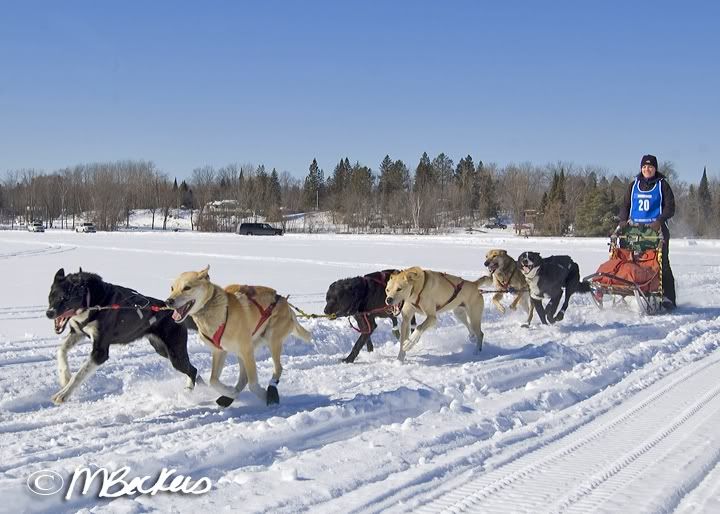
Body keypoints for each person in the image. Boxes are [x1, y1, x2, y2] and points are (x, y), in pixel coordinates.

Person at [617, 154, 676, 310]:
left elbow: (670, 207)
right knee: (630, 261)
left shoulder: (662, 185)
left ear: (655, 168)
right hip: (634, 230)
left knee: (660, 263)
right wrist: (623, 220)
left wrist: (660, 220)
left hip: (656, 230)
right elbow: (625, 205)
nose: (647, 169)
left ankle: (668, 297)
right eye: (644, 167)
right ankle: (627, 292)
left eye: (650, 167)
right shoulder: (633, 185)